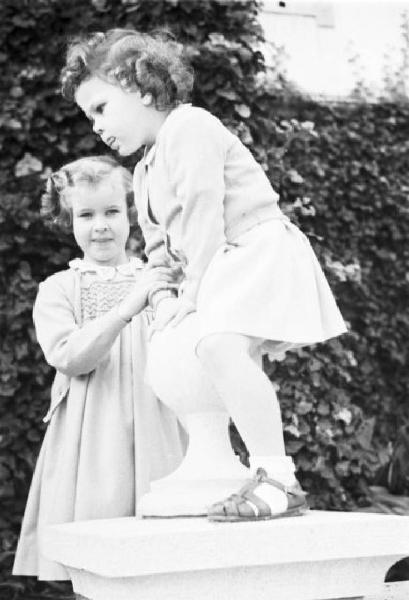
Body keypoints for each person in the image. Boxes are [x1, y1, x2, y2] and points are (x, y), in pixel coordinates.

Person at [61, 29, 347, 522]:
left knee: (217, 346)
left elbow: (202, 212)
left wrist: (194, 292)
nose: (96, 127)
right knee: (208, 347)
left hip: (253, 246)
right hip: (220, 258)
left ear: (141, 86)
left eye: (102, 108)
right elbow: (157, 251)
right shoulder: (146, 171)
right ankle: (266, 475)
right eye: (89, 117)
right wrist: (165, 299)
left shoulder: (189, 127)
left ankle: (278, 478)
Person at [13, 155, 185, 580]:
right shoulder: (59, 288)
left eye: (111, 211)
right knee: (98, 553)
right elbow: (69, 355)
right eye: (86, 215)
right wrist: (128, 307)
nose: (101, 225)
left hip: (156, 421)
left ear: (130, 214)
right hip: (91, 436)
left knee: (165, 553)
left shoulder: (160, 278)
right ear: (68, 220)